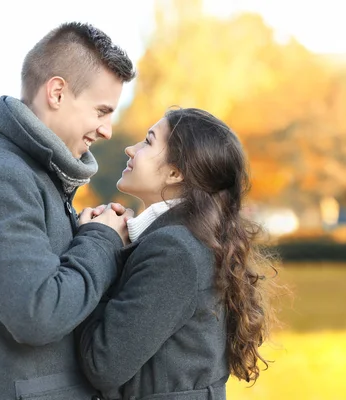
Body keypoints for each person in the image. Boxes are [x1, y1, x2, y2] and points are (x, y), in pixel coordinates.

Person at [0, 22, 136, 399]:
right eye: (102, 111)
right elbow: (38, 315)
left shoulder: (34, 174)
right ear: (57, 92)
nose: (108, 130)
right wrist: (100, 241)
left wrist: (84, 237)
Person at [76, 108, 280, 400]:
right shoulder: (183, 240)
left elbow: (103, 364)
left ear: (175, 173)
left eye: (147, 142)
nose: (131, 149)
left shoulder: (174, 250)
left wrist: (97, 243)